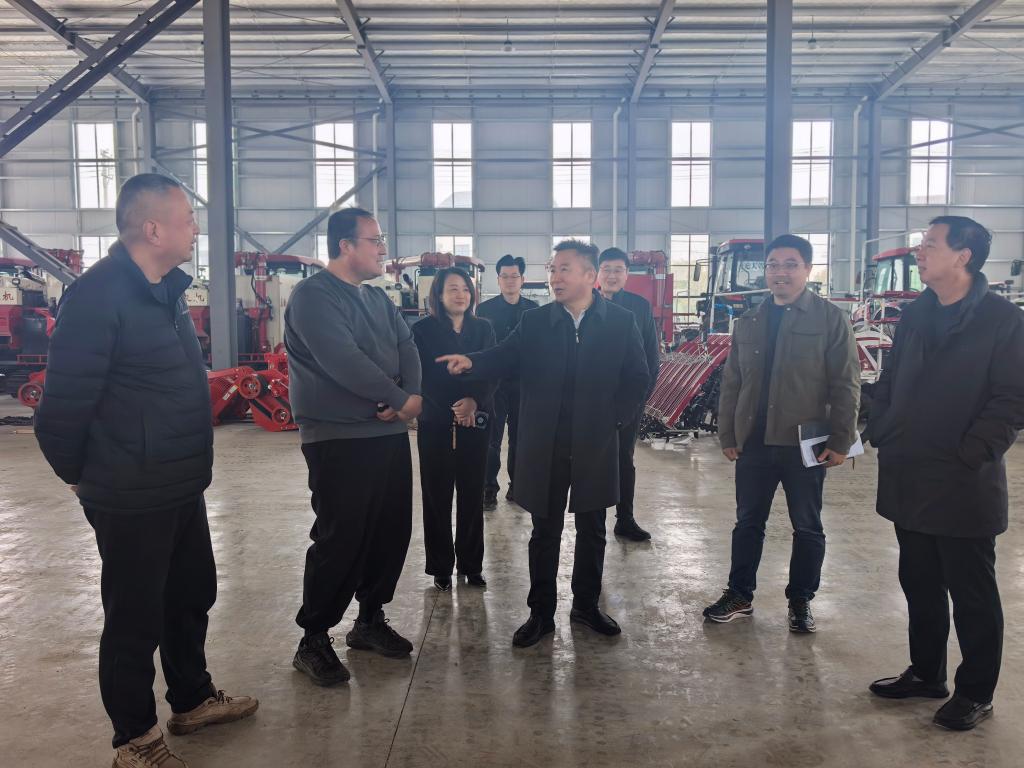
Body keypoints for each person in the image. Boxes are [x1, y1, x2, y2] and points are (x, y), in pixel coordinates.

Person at [34, 173, 258, 768]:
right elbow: (60, 410)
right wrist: (83, 478)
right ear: (153, 229)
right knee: (134, 618)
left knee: (190, 596)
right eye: (187, 219)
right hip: (130, 491)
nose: (196, 229)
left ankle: (191, 699)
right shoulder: (97, 296)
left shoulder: (165, 290)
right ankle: (133, 738)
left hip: (180, 482)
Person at [438, 240, 650, 648]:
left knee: (593, 529)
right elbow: (505, 355)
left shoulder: (621, 322)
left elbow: (638, 377)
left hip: (594, 442)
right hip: (545, 442)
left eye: (564, 269)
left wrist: (614, 421)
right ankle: (541, 613)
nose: (554, 277)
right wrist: (473, 362)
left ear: (590, 275)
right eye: (552, 269)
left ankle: (585, 606)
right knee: (544, 530)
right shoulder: (536, 322)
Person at [866, 216, 1024, 731]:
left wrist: (971, 452)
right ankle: (926, 672)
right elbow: (891, 378)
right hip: (908, 471)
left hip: (962, 480)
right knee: (919, 582)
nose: (920, 251)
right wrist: (883, 426)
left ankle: (976, 692)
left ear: (963, 256)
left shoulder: (1003, 319)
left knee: (972, 593)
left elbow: (1012, 399)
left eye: (930, 244)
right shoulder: (916, 314)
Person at [285, 207, 422, 686]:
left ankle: (368, 620)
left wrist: (408, 396)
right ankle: (313, 638)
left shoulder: (378, 298)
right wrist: (400, 399)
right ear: (345, 245)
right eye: (375, 240)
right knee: (340, 538)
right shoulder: (314, 297)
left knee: (389, 532)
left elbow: (408, 346)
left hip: (387, 435)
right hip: (338, 437)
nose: (383, 249)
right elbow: (342, 359)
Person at [702, 234, 860, 633]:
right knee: (747, 523)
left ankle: (801, 600)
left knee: (807, 526)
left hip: (803, 445)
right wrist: (727, 434)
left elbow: (846, 383)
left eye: (790, 264)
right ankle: (739, 594)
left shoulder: (829, 319)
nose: (780, 272)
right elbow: (733, 382)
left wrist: (841, 439)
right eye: (773, 264)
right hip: (754, 442)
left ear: (807, 269)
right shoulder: (750, 321)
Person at [412, 267, 496, 591]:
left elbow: (492, 371)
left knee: (472, 493)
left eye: (465, 289)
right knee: (437, 494)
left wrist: (474, 401)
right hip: (436, 421)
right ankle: (441, 566)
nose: (460, 294)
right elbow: (420, 375)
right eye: (453, 289)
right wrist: (452, 407)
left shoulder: (483, 328)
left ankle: (472, 565)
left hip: (475, 421)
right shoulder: (422, 331)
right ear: (439, 294)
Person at [597, 247, 661, 541]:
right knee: (592, 461)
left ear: (626, 275)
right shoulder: (585, 303)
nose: (612, 275)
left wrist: (638, 400)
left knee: (624, 459)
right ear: (597, 273)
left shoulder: (639, 307)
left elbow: (651, 357)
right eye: (607, 269)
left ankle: (625, 518)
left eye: (618, 270)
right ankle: (593, 518)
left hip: (627, 401)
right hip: (592, 401)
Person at [476, 254, 538, 509]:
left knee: (520, 438)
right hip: (494, 385)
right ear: (498, 279)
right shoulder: (484, 310)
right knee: (491, 438)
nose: (510, 281)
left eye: (515, 276)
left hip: (524, 384)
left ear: (522, 279)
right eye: (505, 276)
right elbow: (481, 347)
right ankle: (488, 488)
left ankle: (517, 486)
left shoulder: (534, 310)